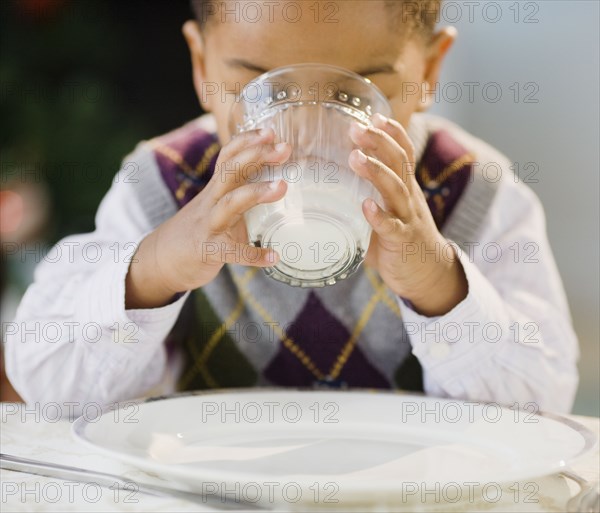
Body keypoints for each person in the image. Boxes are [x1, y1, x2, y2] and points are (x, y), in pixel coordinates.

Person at [5, 0, 578, 415]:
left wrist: (439, 284)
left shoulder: (474, 189)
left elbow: (544, 403)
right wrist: (154, 270)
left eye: (356, 89)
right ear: (203, 66)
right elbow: (47, 385)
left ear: (427, 70)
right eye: (261, 83)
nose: (307, 128)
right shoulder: (164, 184)